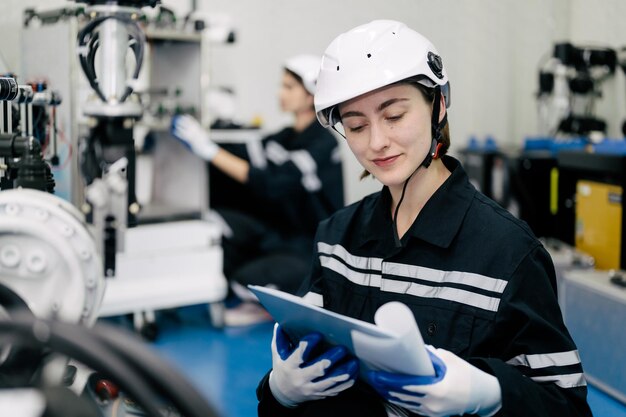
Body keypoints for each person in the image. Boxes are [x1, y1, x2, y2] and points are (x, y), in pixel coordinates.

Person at [256, 20, 593, 417]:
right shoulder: (336, 240)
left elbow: (566, 405)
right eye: (356, 125)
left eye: (394, 115)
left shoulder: (507, 251)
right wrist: (280, 391)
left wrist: (487, 392)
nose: (376, 142)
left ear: (438, 105)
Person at [171, 54, 344, 326]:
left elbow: (274, 180)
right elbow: (247, 152)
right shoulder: (286, 136)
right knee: (214, 224)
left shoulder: (323, 143)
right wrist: (221, 123)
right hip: (277, 234)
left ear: (312, 93)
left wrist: (209, 149)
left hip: (308, 248)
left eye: (289, 87)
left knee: (244, 281)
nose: (280, 93)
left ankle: (268, 299)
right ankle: (256, 290)